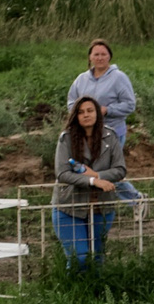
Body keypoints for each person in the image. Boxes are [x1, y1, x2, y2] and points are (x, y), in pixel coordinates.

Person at [52, 95, 126, 268]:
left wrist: (99, 176)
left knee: (97, 259)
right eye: (81, 112)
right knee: (80, 258)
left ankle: (95, 294)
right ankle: (72, 293)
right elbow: (62, 173)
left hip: (102, 207)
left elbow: (120, 169)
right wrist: (92, 181)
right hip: (69, 207)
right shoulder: (66, 139)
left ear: (97, 114)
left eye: (90, 110)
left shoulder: (110, 136)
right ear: (75, 116)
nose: (86, 115)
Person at [65, 39, 137, 153]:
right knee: (89, 167)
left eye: (103, 54)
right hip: (86, 133)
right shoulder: (81, 79)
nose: (100, 58)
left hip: (112, 132)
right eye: (96, 54)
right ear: (90, 57)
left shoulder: (119, 78)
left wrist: (107, 110)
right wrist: (80, 112)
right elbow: (71, 101)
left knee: (108, 167)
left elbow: (130, 105)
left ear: (109, 57)